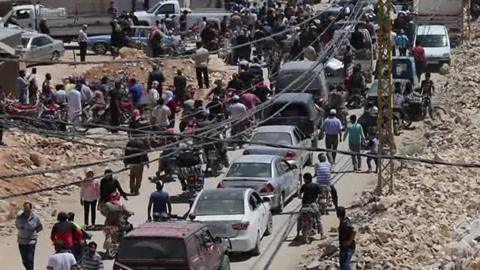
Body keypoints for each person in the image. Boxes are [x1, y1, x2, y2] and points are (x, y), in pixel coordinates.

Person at [16, 202, 43, 270]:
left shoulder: (36, 218)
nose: (26, 212)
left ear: (31, 209)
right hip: (21, 241)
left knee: (30, 259)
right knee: (25, 261)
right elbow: (16, 225)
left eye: (27, 210)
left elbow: (40, 228)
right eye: (25, 210)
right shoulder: (19, 217)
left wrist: (32, 232)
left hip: (31, 241)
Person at [299, 173, 323, 238]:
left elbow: (299, 194)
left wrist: (300, 196)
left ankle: (298, 234)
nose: (304, 180)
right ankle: (322, 234)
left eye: (304, 179)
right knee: (318, 218)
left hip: (305, 205)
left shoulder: (304, 186)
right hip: (313, 204)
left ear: (306, 179)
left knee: (299, 218)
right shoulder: (316, 186)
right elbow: (321, 194)